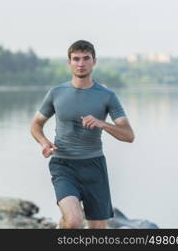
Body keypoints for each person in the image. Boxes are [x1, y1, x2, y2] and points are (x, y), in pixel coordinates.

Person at [30, 40, 134, 229]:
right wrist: (44, 142)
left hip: (94, 166)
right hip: (63, 164)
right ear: (69, 62)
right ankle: (64, 224)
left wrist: (102, 123)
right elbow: (36, 124)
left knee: (97, 228)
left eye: (86, 58)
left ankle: (61, 224)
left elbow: (128, 135)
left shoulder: (106, 96)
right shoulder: (56, 93)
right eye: (76, 59)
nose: (81, 63)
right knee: (74, 221)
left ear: (94, 61)